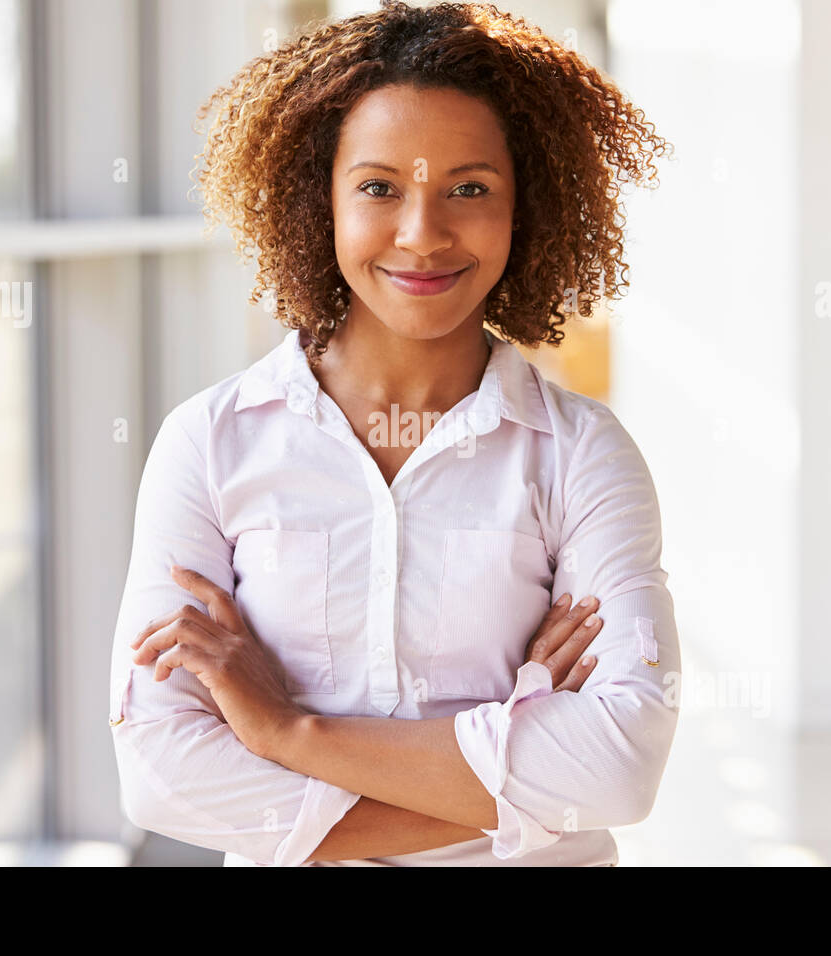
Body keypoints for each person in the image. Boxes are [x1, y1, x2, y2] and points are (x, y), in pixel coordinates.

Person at [108, 0, 679, 866]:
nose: (422, 233)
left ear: (526, 207)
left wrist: (284, 728)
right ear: (319, 199)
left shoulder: (583, 454)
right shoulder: (208, 443)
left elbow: (620, 764)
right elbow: (161, 773)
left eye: (470, 188)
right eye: (379, 187)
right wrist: (520, 772)